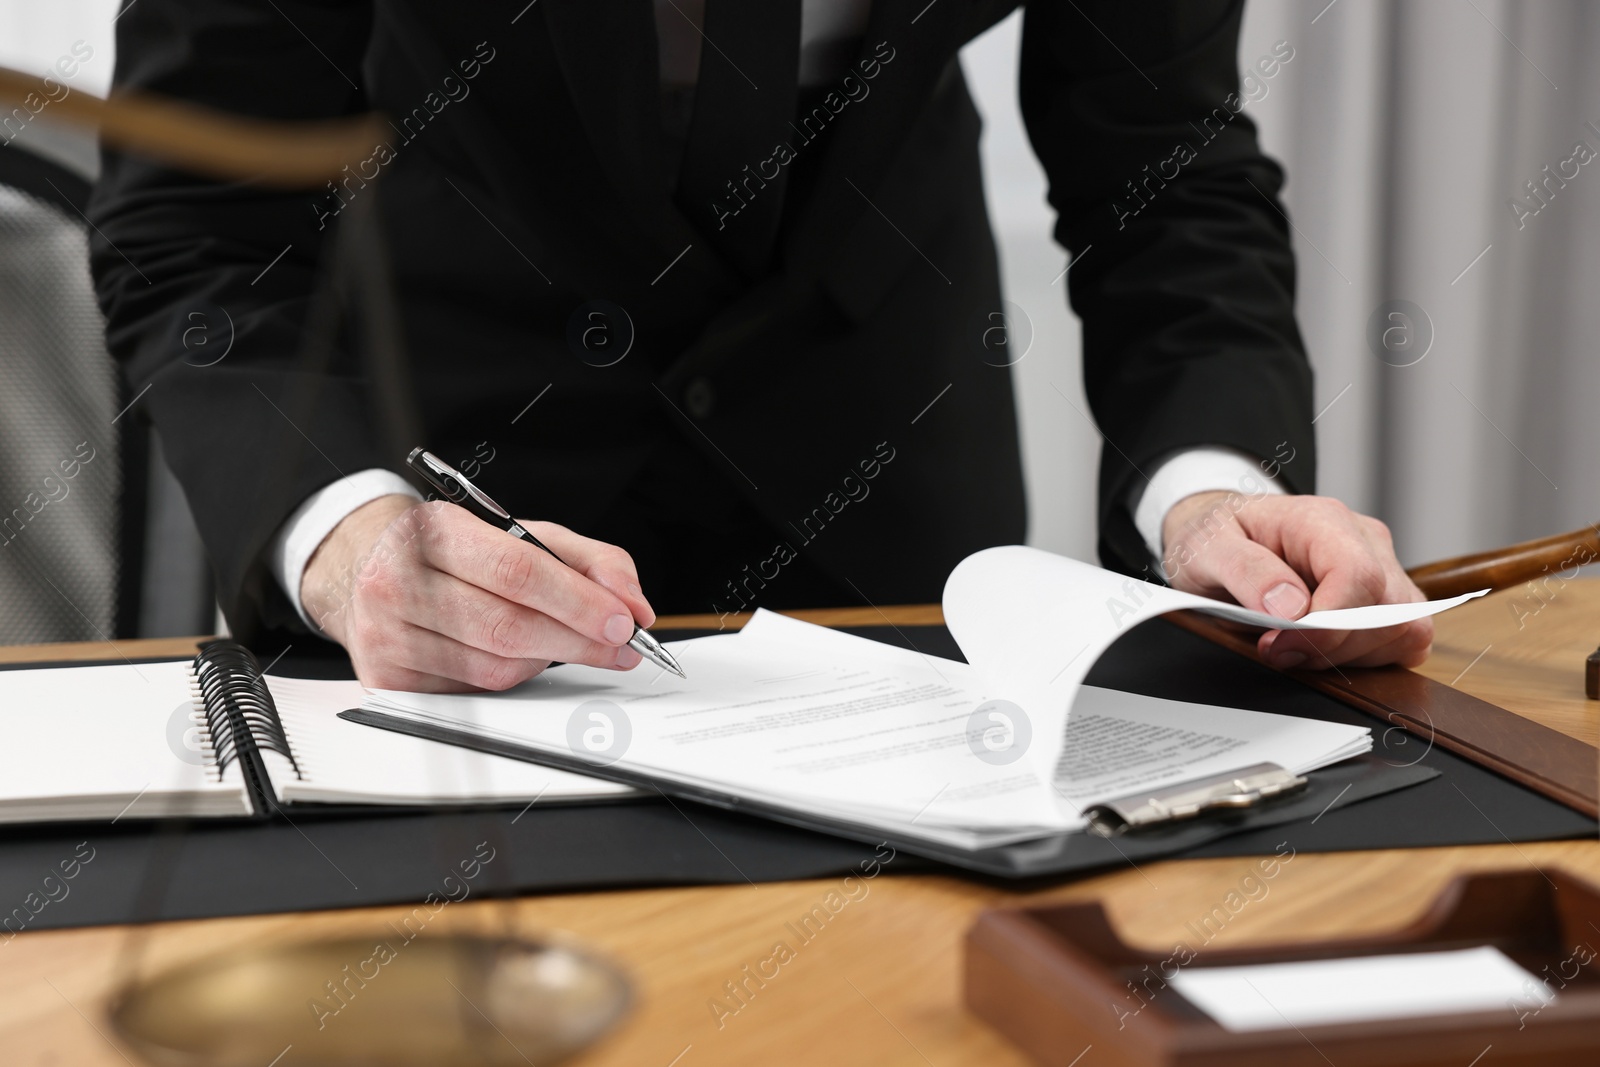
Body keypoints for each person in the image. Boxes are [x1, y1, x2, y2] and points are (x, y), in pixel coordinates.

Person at [89, 0, 1431, 692]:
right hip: (460, 505)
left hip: (891, 496)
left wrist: (1212, 489)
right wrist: (337, 532)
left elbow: (1167, 174)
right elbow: (196, 223)